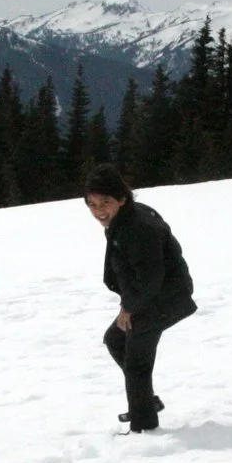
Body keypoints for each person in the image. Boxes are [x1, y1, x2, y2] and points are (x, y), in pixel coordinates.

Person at [85, 164, 196, 433]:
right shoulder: (124, 220)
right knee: (116, 340)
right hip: (153, 296)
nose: (99, 210)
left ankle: (143, 427)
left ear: (122, 199)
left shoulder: (137, 227)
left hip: (164, 299)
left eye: (105, 202)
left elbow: (150, 277)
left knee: (136, 365)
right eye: (92, 204)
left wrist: (128, 307)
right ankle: (144, 402)